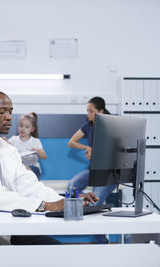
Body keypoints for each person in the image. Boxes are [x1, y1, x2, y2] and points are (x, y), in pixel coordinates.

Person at [0, 90, 98, 245]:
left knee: (58, 251)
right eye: (2, 112)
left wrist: (67, 201)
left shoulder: (7, 149)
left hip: (4, 229)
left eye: (10, 112)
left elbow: (30, 185)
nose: (9, 117)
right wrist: (47, 206)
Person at [67, 96, 116, 244]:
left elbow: (116, 149)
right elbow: (72, 142)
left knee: (94, 201)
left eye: (91, 111)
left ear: (100, 111)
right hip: (93, 170)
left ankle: (101, 241)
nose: (88, 114)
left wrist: (96, 151)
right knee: (72, 185)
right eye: (87, 111)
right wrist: (87, 148)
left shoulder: (111, 125)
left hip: (109, 172)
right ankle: (73, 222)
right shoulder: (88, 125)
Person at [8, 112, 46, 180]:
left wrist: (37, 151)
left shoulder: (35, 141)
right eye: (21, 126)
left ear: (32, 129)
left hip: (33, 168)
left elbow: (44, 156)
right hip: (18, 168)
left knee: (26, 172)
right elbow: (7, 145)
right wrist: (5, 142)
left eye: (27, 127)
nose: (23, 129)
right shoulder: (14, 139)